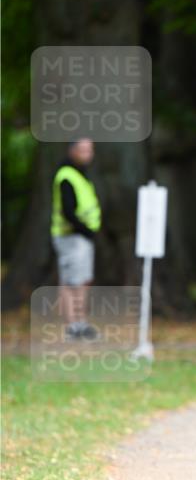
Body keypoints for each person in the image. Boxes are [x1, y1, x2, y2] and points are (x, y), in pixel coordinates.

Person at [51, 138, 101, 339]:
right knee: (73, 283)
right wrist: (85, 231)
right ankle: (74, 326)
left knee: (80, 281)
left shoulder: (80, 175)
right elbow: (68, 211)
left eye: (90, 150)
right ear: (72, 151)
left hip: (80, 238)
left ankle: (80, 323)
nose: (88, 154)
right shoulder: (67, 176)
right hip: (71, 237)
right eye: (83, 150)